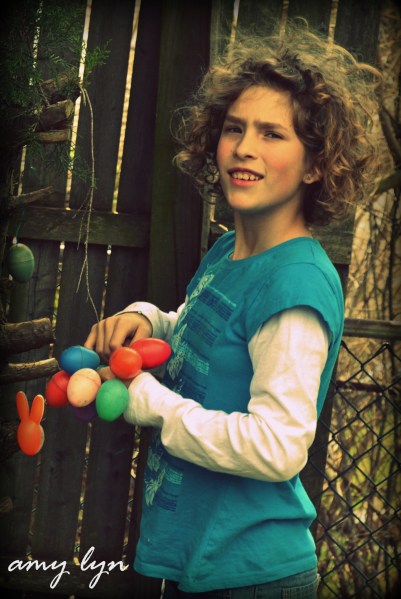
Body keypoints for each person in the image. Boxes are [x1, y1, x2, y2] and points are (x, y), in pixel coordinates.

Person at [85, 20, 380, 599]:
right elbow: (212, 332)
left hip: (253, 574)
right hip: (206, 560)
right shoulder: (230, 251)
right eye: (234, 128)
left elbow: (278, 446)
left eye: (273, 134)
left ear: (316, 164)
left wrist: (155, 406)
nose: (245, 147)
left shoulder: (294, 284)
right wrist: (148, 320)